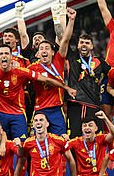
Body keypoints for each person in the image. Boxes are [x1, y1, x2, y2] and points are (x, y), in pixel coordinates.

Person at [0, 44, 75, 140]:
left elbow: (46, 80)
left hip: (18, 113)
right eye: (1, 54)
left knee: (22, 144)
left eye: (6, 53)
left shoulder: (21, 72)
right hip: (0, 112)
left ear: (11, 56)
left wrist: (66, 87)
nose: (4, 56)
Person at [28, 7, 78, 135]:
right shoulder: (32, 68)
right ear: (38, 53)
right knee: (37, 139)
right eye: (41, 48)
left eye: (47, 48)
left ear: (52, 52)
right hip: (40, 109)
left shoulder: (58, 61)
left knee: (60, 140)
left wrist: (71, 20)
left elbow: (65, 40)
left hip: (57, 109)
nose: (44, 50)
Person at [65, 33, 111, 138]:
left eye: (87, 43)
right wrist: (62, 17)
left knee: (97, 139)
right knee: (74, 138)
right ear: (77, 45)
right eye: (81, 42)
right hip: (76, 104)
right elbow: (63, 37)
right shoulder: (72, 57)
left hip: (94, 105)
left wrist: (109, 89)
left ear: (91, 46)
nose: (84, 45)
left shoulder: (99, 61)